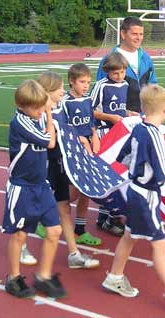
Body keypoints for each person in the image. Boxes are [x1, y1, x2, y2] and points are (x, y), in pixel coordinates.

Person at [101, 84, 165, 311]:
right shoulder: (154, 134)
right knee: (161, 244)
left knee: (129, 237)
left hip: (135, 190)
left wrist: (138, 168)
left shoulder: (138, 128)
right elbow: (164, 173)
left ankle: (115, 277)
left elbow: (123, 156)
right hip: (146, 195)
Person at [2, 79, 66, 298]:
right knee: (20, 235)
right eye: (36, 108)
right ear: (22, 106)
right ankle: (13, 278)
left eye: (41, 106)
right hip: (23, 187)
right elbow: (50, 142)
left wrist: (46, 111)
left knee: (55, 231)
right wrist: (48, 114)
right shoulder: (20, 122)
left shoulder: (35, 117)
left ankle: (43, 276)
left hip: (41, 184)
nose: (40, 111)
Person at [36, 71, 100, 269]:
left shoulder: (61, 106)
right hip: (42, 167)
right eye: (59, 88)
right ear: (48, 91)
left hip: (60, 164)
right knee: (31, 207)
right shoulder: (36, 113)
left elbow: (67, 128)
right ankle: (20, 243)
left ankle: (73, 253)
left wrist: (81, 139)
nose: (63, 91)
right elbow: (48, 140)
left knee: (63, 208)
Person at [91, 52, 138, 237]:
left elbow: (119, 108)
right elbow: (91, 110)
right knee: (108, 174)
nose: (119, 76)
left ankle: (110, 217)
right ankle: (108, 217)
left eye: (122, 72)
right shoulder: (101, 86)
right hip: (104, 133)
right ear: (107, 72)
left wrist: (129, 113)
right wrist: (110, 117)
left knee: (120, 174)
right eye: (115, 73)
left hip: (120, 133)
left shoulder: (125, 84)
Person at [62, 63, 102, 246]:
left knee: (86, 191)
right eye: (82, 82)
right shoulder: (65, 102)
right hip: (74, 151)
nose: (86, 85)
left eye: (88, 82)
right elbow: (64, 128)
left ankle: (80, 229)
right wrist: (81, 139)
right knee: (73, 194)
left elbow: (91, 122)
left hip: (88, 150)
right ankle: (48, 217)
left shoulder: (87, 100)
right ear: (71, 81)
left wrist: (94, 135)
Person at [96, 16, 157, 113]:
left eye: (141, 34)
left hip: (144, 117)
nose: (139, 38)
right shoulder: (109, 60)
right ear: (123, 34)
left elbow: (153, 85)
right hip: (119, 119)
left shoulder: (146, 58)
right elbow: (101, 94)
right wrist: (124, 113)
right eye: (134, 34)